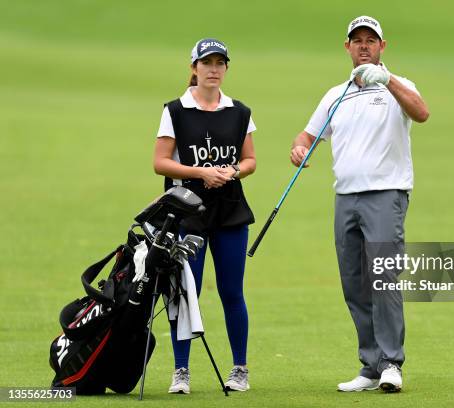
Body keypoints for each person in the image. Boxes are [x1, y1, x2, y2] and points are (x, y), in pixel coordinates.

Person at [290, 16, 429, 393]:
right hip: (345, 197)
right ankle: (370, 366)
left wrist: (388, 80)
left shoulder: (398, 86)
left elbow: (421, 111)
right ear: (348, 47)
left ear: (383, 47)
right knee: (354, 283)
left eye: (371, 40)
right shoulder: (336, 94)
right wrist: (300, 148)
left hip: (386, 194)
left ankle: (391, 364)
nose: (364, 46)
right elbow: (307, 134)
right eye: (358, 41)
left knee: (383, 278)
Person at [154, 38, 256, 394]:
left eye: (220, 63)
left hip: (229, 211)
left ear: (226, 68)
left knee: (232, 291)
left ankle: (239, 369)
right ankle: (181, 371)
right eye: (206, 63)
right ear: (194, 68)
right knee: (186, 291)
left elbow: (250, 160)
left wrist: (233, 172)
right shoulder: (175, 110)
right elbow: (161, 162)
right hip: (187, 212)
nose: (213, 69)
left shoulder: (239, 112)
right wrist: (202, 172)